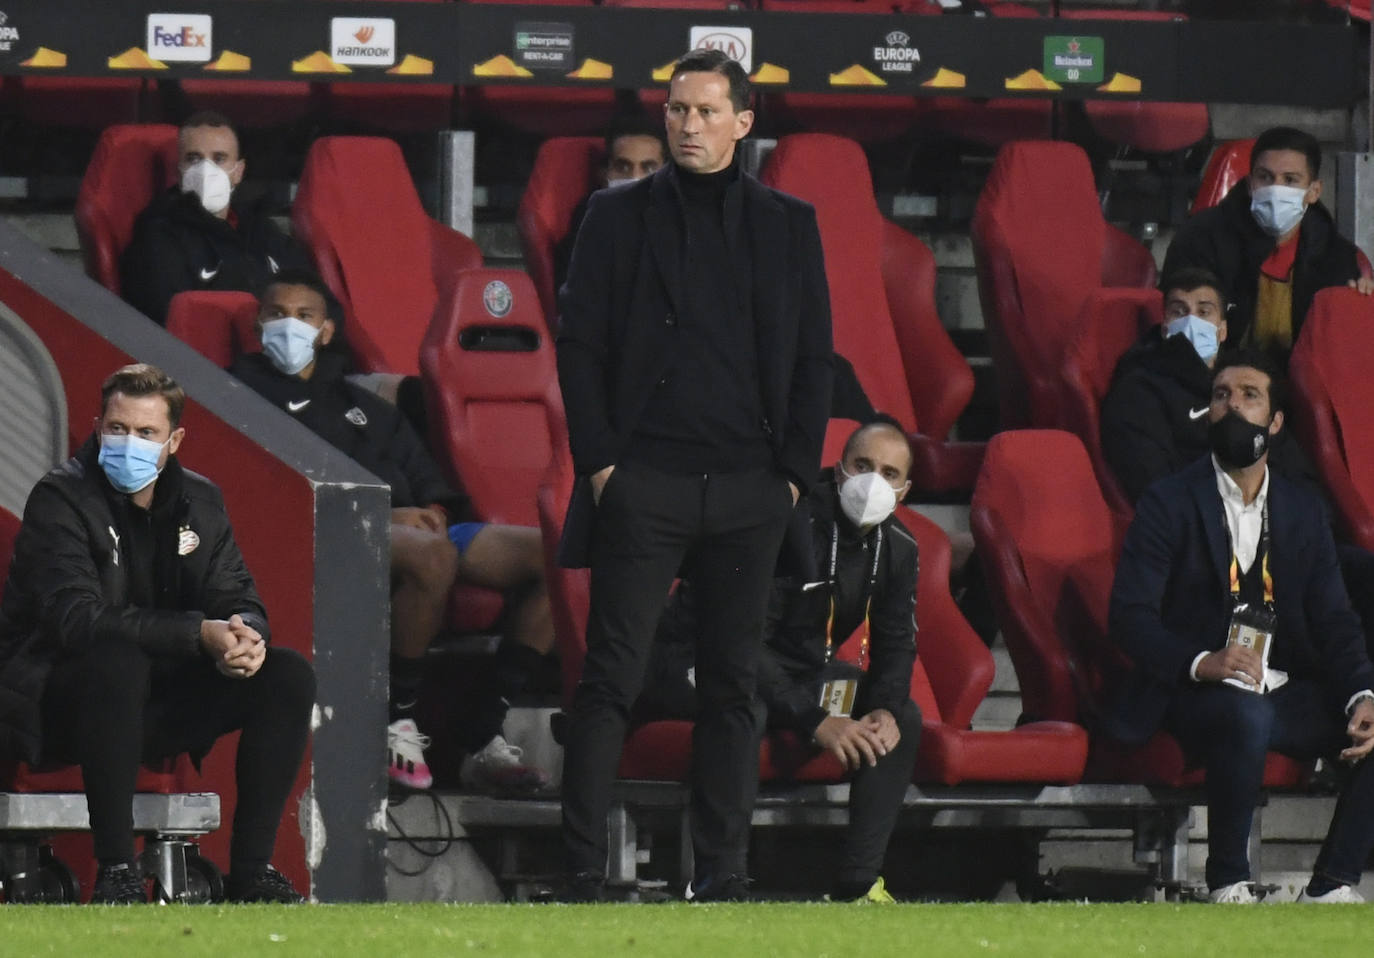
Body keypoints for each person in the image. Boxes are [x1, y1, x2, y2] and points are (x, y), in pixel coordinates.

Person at [556, 48, 834, 901]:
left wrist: (790, 474)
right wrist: (603, 466)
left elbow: (814, 358)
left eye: (707, 111)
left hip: (750, 490)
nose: (687, 125)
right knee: (610, 676)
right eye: (677, 110)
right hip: (644, 483)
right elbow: (579, 346)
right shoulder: (612, 215)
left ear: (744, 124)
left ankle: (721, 873)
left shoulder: (790, 223)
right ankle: (579, 870)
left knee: (732, 685)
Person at [0, 364, 315, 904]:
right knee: (118, 659)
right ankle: (117, 869)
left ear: (174, 440)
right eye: (117, 428)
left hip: (156, 703)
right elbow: (78, 621)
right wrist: (199, 634)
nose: (128, 443)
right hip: (61, 705)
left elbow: (238, 595)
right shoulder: (60, 498)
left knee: (286, 674)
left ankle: (252, 873)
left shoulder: (202, 502)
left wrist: (245, 635)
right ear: (98, 427)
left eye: (145, 433)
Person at [228, 270, 553, 795]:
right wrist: (387, 515)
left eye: (304, 316)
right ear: (258, 325)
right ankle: (397, 722)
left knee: (555, 555)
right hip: (330, 528)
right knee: (432, 558)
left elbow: (427, 478)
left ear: (328, 331)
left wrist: (431, 508)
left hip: (409, 528)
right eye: (276, 314)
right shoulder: (235, 395)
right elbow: (272, 492)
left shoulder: (361, 404)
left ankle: (484, 727)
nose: (290, 326)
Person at [1105, 350, 1374, 903]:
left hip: (1276, 684)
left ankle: (1330, 885)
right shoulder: (1168, 501)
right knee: (1244, 711)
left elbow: (1334, 619)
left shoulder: (1303, 509)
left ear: (1275, 422)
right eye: (1222, 394)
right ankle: (1228, 879)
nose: (1232, 405)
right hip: (1190, 691)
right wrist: (1205, 661)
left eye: (1249, 394)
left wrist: (1361, 695)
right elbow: (1129, 618)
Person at [642, 420, 920, 903]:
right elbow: (738, 642)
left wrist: (887, 708)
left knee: (902, 718)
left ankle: (859, 883)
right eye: (862, 466)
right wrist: (817, 721)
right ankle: (720, 880)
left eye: (889, 472)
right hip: (695, 653)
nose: (873, 482)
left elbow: (896, 645)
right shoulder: (784, 519)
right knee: (740, 705)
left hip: (794, 670)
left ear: (905, 489)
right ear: (839, 471)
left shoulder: (898, 548)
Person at [1162, 126, 1372, 363]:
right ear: (1250, 183)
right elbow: (1178, 326)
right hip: (1215, 383)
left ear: (1314, 191)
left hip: (1299, 392)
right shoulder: (1199, 239)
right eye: (1265, 177)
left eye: (1290, 180)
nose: (1275, 189)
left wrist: (1360, 303)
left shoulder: (1338, 257)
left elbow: (1340, 357)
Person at [120, 111, 311, 326]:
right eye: (194, 158)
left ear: (238, 171)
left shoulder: (262, 231)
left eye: (219, 158)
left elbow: (317, 301)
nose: (206, 170)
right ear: (179, 171)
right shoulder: (158, 239)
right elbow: (170, 320)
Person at [553, 114, 668, 296]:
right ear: (604, 173)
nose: (635, 177)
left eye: (648, 168)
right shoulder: (586, 223)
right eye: (623, 167)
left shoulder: (683, 220)